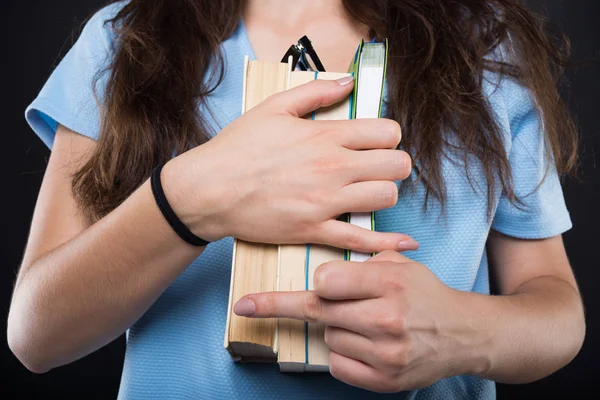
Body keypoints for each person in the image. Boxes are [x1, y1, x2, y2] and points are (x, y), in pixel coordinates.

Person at [7, 0, 585, 399]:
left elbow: (557, 308)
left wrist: (465, 331)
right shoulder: (124, 38)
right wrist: (189, 198)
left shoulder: (483, 43)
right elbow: (35, 332)